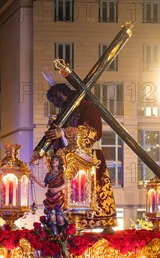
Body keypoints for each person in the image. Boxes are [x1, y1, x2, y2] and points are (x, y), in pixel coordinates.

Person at [35, 83, 117, 231]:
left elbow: (93, 130)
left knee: (95, 190)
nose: (55, 104)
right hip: (69, 160)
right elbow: (56, 140)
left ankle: (104, 223)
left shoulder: (86, 106)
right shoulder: (63, 114)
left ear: (62, 93)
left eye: (55, 99)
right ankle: (71, 224)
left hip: (89, 157)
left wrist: (65, 132)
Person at [31, 156, 68, 235]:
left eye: (56, 160)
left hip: (58, 196)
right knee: (52, 216)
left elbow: (65, 184)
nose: (54, 161)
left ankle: (62, 235)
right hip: (50, 197)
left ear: (59, 163)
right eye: (53, 160)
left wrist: (57, 189)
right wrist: (35, 180)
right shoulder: (48, 174)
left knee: (59, 217)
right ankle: (54, 236)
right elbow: (44, 185)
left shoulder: (62, 173)